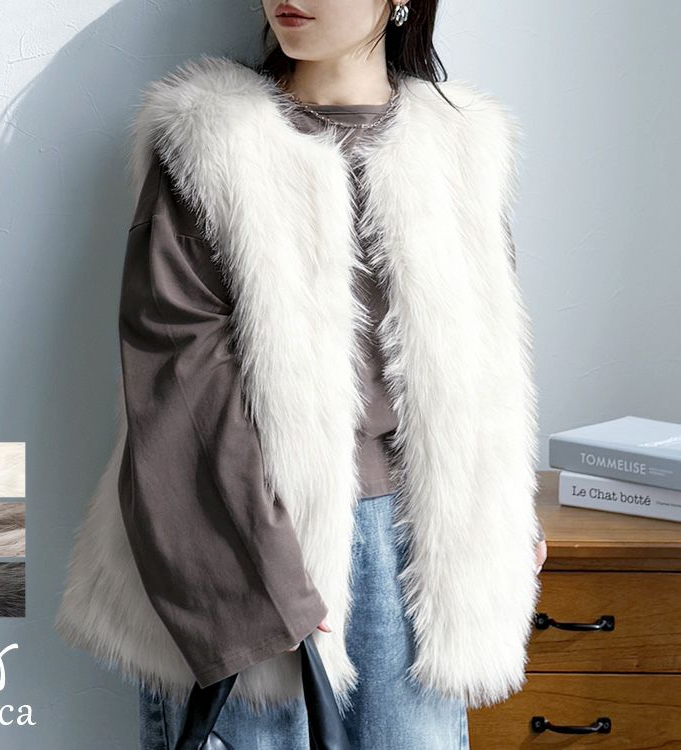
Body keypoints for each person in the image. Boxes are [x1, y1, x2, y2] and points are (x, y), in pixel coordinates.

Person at [55, 1, 548, 748]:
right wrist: (271, 578)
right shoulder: (213, 139)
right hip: (245, 539)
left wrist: (509, 515)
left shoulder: (462, 145)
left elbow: (488, 360)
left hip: (423, 556)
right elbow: (179, 381)